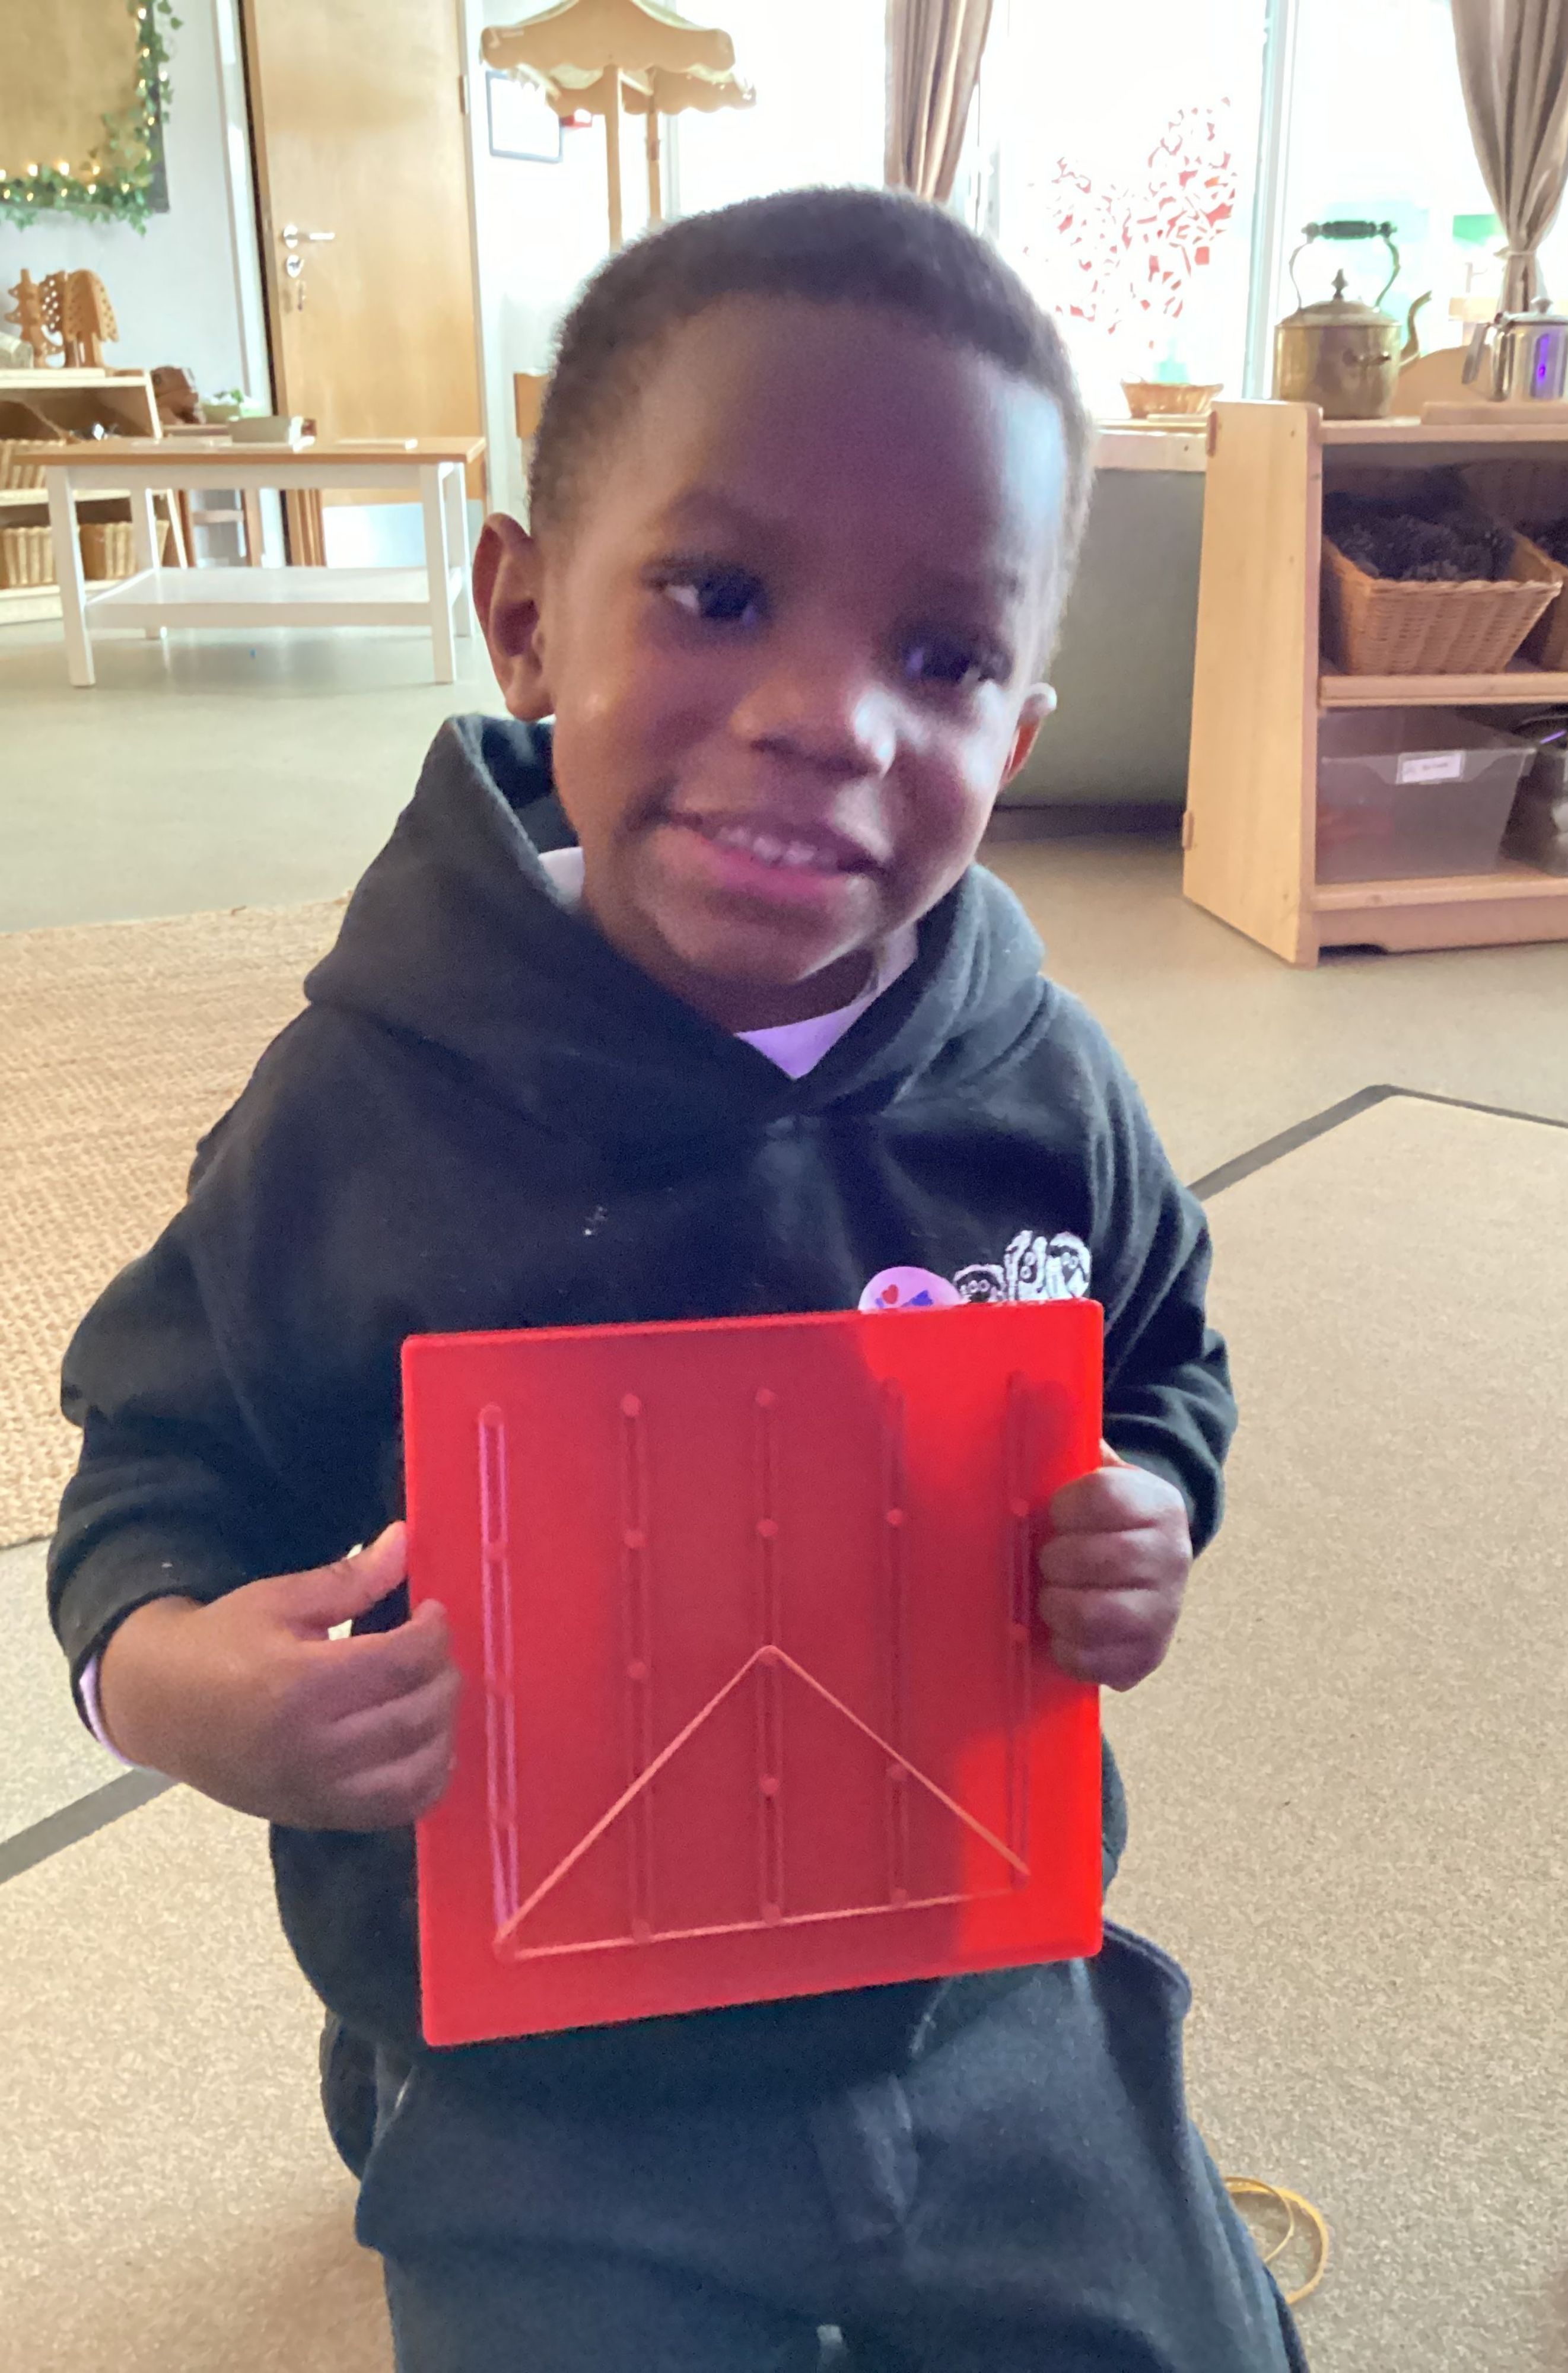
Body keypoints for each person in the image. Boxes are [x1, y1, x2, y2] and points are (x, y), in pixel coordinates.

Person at [49, 189, 1303, 2373]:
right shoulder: (363, 1108)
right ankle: (386, 2096)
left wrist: (1151, 1500)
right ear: (526, 620)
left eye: (943, 657)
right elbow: (157, 1458)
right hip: (542, 2062)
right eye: (719, 596)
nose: (831, 717)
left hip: (971, 1980)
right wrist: (172, 1686)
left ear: (1017, 740)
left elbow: (1163, 1345)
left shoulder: (1041, 1085)